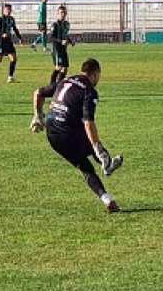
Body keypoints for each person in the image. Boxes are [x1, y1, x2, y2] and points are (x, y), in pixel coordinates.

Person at [31, 58, 123, 213]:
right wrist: (97, 147)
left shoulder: (66, 80)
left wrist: (38, 116)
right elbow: (88, 123)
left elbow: (38, 93)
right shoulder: (89, 91)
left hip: (52, 133)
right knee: (91, 142)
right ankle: (107, 164)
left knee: (85, 167)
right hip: (68, 131)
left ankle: (107, 197)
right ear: (95, 74)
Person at [49, 4, 74, 84]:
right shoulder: (55, 25)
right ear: (58, 14)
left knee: (65, 68)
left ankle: (59, 84)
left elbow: (65, 35)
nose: (63, 14)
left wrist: (70, 41)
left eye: (64, 13)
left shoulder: (66, 24)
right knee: (59, 67)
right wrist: (61, 41)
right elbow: (51, 37)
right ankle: (52, 84)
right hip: (57, 49)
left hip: (64, 49)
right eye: (61, 12)